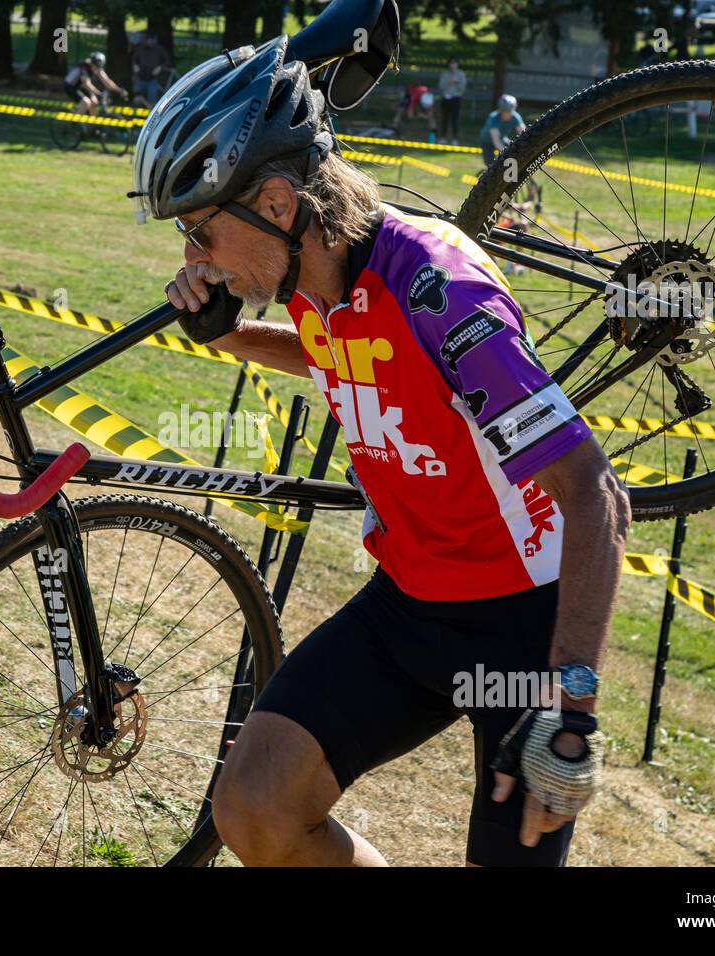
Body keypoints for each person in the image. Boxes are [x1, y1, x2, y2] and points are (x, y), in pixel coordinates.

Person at [132, 37, 629, 866]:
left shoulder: (441, 292)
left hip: (523, 627)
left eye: (201, 230)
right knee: (253, 810)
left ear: (281, 203)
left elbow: (595, 495)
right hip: (408, 600)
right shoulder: (319, 276)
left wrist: (571, 706)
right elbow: (344, 350)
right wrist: (232, 337)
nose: (191, 256)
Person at [64, 51, 128, 116]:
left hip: (81, 86)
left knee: (94, 101)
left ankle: (93, 123)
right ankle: (74, 123)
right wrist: (99, 93)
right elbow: (87, 84)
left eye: (97, 66)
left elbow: (107, 81)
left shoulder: (98, 67)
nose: (95, 68)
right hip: (70, 87)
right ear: (92, 62)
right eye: (94, 65)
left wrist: (119, 90)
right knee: (86, 102)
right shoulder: (84, 67)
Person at [130, 30, 172, 109]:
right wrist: (135, 65)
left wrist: (160, 67)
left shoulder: (159, 49)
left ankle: (150, 112)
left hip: (152, 79)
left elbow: (167, 61)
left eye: (148, 40)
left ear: (153, 40)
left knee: (152, 100)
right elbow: (134, 59)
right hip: (140, 77)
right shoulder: (140, 48)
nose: (147, 42)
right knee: (136, 99)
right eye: (145, 40)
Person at [439, 57, 467, 145]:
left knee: (455, 119)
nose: (453, 65)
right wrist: (449, 82)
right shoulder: (444, 74)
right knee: (444, 119)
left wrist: (456, 82)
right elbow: (441, 87)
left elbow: (462, 88)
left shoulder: (461, 74)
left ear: (457, 65)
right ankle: (443, 137)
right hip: (446, 98)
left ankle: (455, 139)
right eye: (451, 64)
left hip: (456, 99)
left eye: (454, 64)